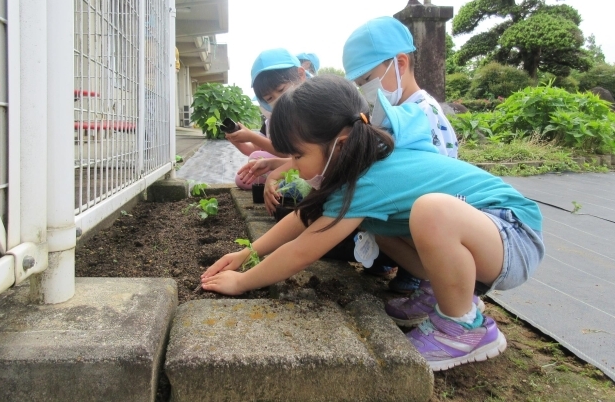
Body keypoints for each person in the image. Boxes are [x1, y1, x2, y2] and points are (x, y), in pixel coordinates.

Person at [201, 75, 544, 372]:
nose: (292, 165)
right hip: (486, 238)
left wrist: (243, 282)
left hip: (512, 235)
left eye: (298, 156)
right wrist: (248, 253)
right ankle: (450, 294)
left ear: (341, 144)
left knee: (431, 210)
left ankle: (463, 327)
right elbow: (303, 218)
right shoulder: (358, 166)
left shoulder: (369, 179)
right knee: (375, 224)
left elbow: (303, 250)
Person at [342, 15, 459, 286]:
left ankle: (434, 284)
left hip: (436, 217)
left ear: (400, 63)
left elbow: (432, 180)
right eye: (359, 84)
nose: (365, 90)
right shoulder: (394, 110)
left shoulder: (421, 111)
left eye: (367, 79)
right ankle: (415, 273)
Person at [227, 48, 308, 190]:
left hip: (309, 167)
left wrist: (251, 136)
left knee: (258, 156)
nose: (277, 99)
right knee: (245, 174)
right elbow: (253, 149)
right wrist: (237, 140)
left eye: (281, 90)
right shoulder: (273, 120)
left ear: (300, 75)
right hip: (294, 164)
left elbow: (290, 152)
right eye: (269, 98)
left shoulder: (311, 112)